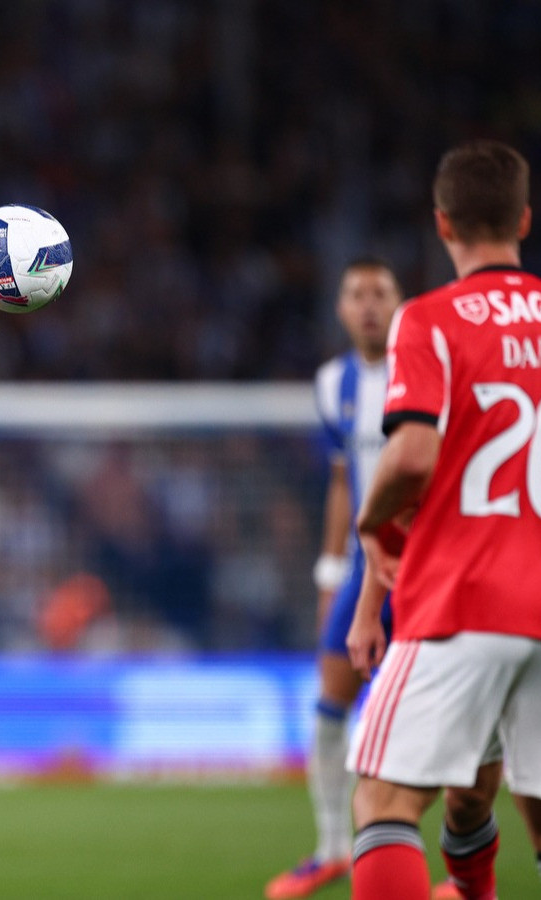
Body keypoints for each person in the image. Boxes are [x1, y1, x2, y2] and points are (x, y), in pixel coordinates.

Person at [346, 139, 541, 899]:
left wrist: (370, 519)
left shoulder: (429, 319)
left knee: (385, 801)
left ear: (443, 224)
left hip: (467, 596)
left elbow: (413, 456)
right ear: (523, 219)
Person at [265, 258, 402, 899]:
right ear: (342, 309)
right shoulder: (332, 384)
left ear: (399, 302)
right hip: (362, 567)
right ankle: (331, 849)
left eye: (380, 293)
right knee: (329, 703)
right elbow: (343, 483)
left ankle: (459, 863)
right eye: (356, 295)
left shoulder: (425, 369)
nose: (368, 305)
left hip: (424, 565)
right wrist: (330, 573)